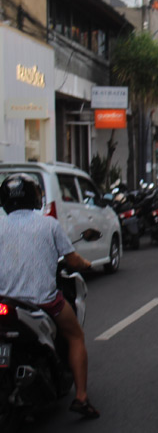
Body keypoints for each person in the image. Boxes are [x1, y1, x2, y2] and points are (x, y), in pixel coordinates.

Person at [0, 174, 100, 418]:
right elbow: (72, 260)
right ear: (34, 197)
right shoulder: (49, 224)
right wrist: (86, 264)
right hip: (42, 302)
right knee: (76, 336)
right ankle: (81, 397)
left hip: (5, 302)